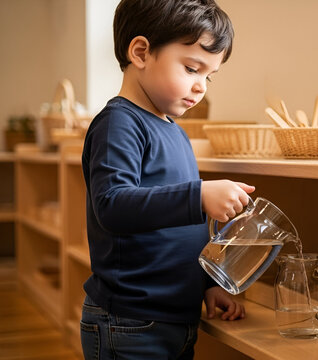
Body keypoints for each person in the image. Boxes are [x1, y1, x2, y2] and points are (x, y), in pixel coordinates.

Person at [80, 1, 253, 358]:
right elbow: (112, 205)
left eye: (209, 75)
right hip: (130, 321)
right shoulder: (119, 124)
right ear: (141, 52)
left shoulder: (174, 131)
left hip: (173, 318)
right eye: (192, 68)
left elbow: (178, 233)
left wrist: (206, 284)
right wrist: (199, 196)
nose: (201, 86)